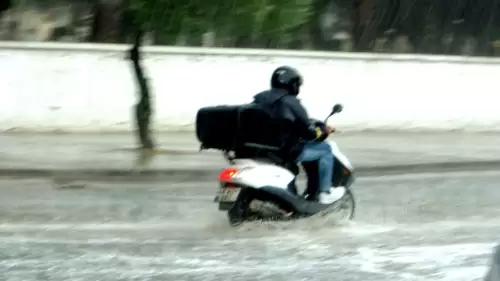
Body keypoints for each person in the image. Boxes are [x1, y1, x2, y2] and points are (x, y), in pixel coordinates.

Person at [252, 65, 346, 204]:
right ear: (292, 84)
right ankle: (325, 193)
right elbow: (309, 132)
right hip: (286, 150)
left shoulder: (260, 99)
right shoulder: (290, 102)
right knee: (325, 150)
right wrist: (324, 130)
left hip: (264, 148)